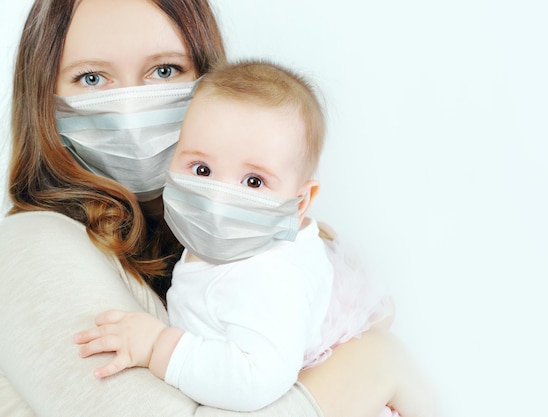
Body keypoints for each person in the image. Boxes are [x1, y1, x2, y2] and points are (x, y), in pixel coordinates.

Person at [0, 0, 436, 416]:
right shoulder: (30, 248)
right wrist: (377, 365)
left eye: (164, 70)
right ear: (42, 96)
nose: (131, 109)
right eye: (92, 78)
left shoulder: (244, 245)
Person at [74, 60, 409, 415]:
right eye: (202, 170)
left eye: (253, 182)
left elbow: (256, 379)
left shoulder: (269, 277)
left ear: (301, 201)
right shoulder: (230, 244)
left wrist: (159, 346)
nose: (217, 196)